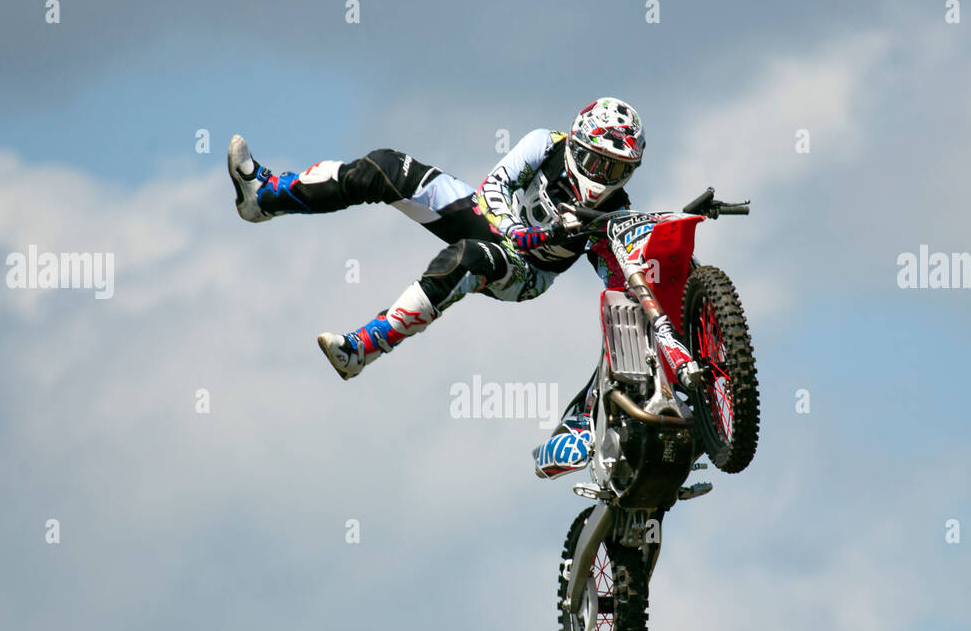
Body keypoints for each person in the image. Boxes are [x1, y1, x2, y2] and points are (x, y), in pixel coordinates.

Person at [227, 97, 699, 476]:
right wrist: (521, 231)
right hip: (494, 220)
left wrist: (646, 286)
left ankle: (362, 349)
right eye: (599, 164)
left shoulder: (616, 211)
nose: (604, 181)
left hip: (525, 274)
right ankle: (265, 196)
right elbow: (494, 189)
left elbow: (618, 280)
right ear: (578, 147)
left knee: (474, 261)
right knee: (386, 165)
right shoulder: (544, 144)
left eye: (618, 172)